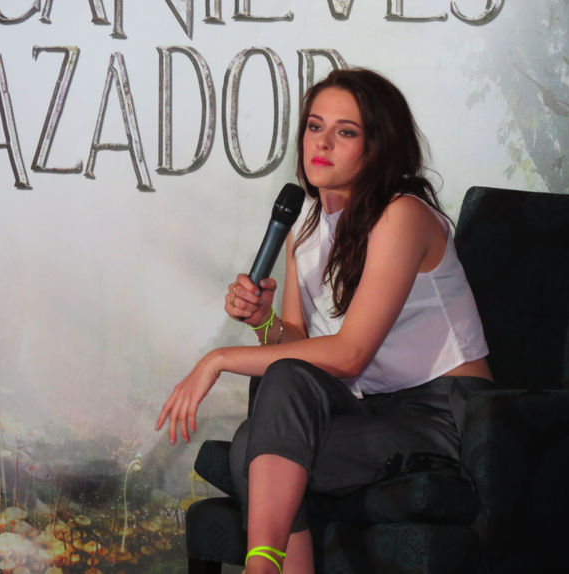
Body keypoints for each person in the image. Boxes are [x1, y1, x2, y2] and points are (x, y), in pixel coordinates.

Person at [156, 68, 493, 574]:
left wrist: (218, 359)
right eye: (315, 126)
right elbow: (296, 343)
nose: (323, 143)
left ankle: (262, 569)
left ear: (378, 146)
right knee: (271, 411)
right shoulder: (305, 225)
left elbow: (349, 354)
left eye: (346, 131)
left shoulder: (402, 215)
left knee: (255, 452)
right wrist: (264, 322)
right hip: (366, 408)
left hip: (441, 414)